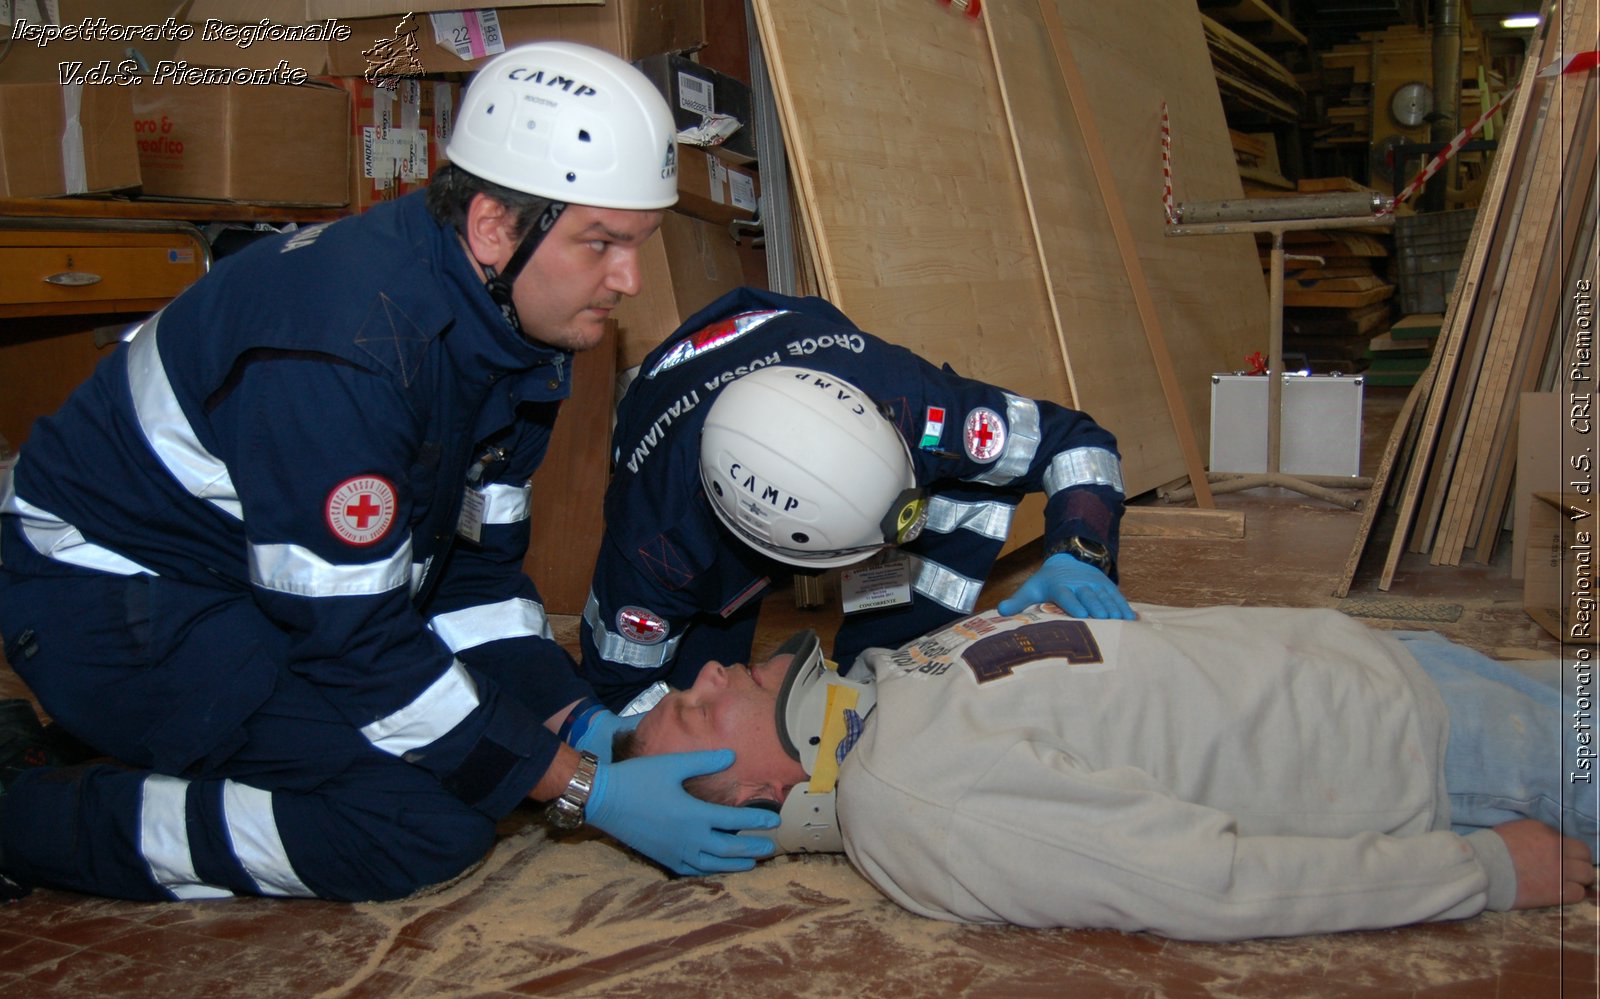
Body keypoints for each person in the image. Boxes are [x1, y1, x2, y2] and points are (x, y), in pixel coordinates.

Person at [0, 42, 778, 904]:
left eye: (639, 244)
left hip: (248, 582)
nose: (628, 280)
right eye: (602, 244)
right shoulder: (351, 352)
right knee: (418, 823)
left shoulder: (511, 327)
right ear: (493, 226)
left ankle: (128, 748)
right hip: (104, 600)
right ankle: (27, 813)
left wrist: (575, 723)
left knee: (482, 746)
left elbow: (471, 575)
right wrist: (581, 787)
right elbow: (352, 641)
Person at [619, 602, 1598, 942]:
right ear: (756, 792)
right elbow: (1207, 884)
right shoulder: (916, 801)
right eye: (697, 711)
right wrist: (1484, 873)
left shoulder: (885, 686)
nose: (705, 671)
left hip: (1387, 671)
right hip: (1429, 759)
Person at [582, 286, 1134, 712]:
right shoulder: (657, 547)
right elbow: (619, 690)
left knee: (957, 496)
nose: (890, 549)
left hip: (785, 337)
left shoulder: (910, 400)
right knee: (701, 688)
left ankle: (889, 673)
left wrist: (1078, 553)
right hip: (669, 414)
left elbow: (1076, 444)